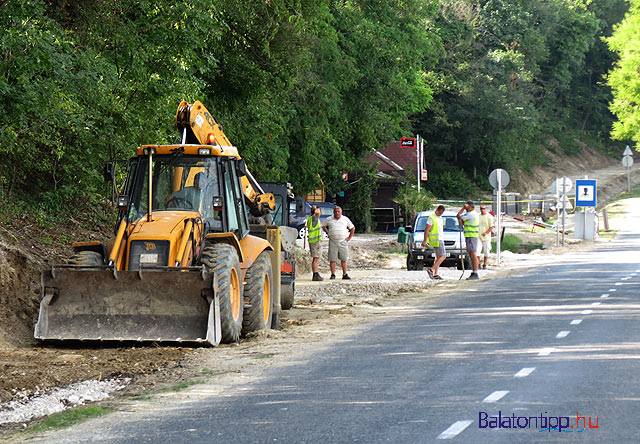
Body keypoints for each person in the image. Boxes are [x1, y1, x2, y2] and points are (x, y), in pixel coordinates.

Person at [322, 206, 355, 280]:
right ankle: (333, 274)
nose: (337, 213)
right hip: (333, 241)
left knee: (344, 258)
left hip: (343, 241)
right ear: (333, 212)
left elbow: (352, 228)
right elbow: (323, 226)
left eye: (338, 211)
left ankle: (345, 274)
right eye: (335, 211)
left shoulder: (345, 219)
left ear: (341, 212)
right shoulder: (329, 219)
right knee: (332, 258)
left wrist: (349, 238)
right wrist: (328, 233)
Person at [457, 200, 480, 280]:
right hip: (469, 236)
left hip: (472, 236)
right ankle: (474, 271)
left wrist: (463, 208)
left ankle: (475, 272)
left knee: (473, 254)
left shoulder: (471, 214)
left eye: (467, 206)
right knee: (471, 254)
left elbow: (459, 216)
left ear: (470, 207)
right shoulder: (469, 214)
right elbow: (461, 220)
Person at [422, 205, 446, 280]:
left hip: (439, 239)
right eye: (440, 212)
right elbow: (426, 230)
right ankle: (431, 269)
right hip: (437, 239)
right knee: (443, 256)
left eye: (442, 213)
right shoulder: (431, 218)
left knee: (438, 257)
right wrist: (425, 240)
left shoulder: (440, 218)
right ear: (437, 210)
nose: (440, 214)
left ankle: (435, 274)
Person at [306, 205, 324, 281]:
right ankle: (315, 274)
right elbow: (316, 213)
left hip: (314, 241)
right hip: (315, 241)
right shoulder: (314, 218)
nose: (320, 213)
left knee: (316, 258)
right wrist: (315, 209)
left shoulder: (312, 219)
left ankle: (316, 274)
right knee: (316, 258)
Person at [478, 205, 495, 269]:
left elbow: (491, 226)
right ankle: (478, 263)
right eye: (481, 209)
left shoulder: (489, 217)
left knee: (486, 251)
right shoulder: (478, 216)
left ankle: (484, 264)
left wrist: (486, 232)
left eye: (483, 209)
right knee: (477, 251)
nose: (482, 210)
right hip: (478, 236)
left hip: (486, 237)